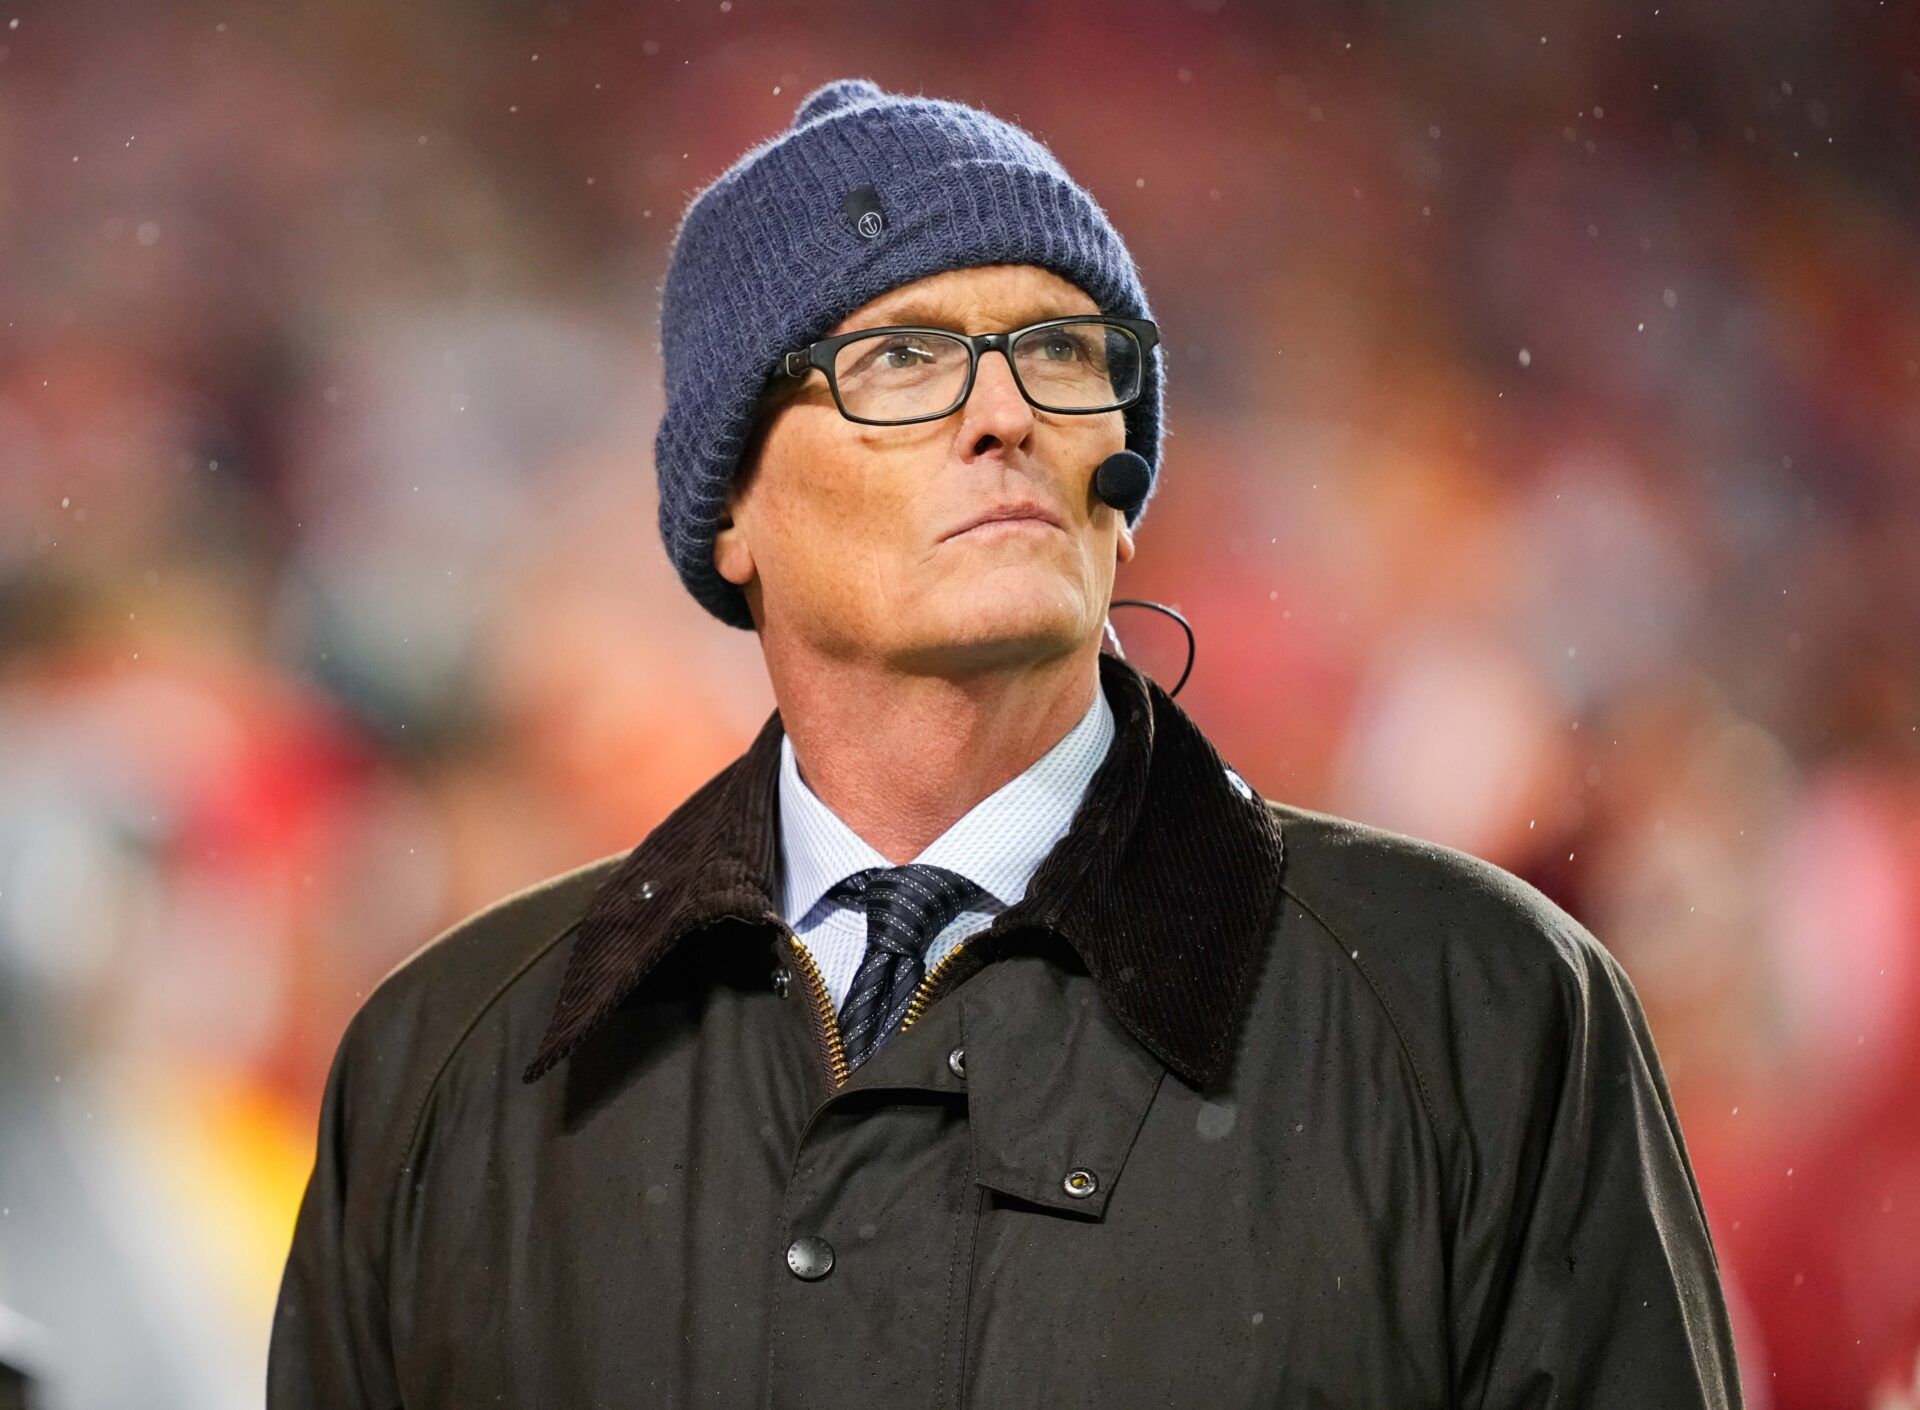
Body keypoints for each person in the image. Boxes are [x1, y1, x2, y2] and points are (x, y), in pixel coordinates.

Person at [267, 77, 1745, 1408]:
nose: (1003, 412)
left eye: (1061, 350)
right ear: (728, 507)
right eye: (901, 356)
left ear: (1123, 477)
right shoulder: (450, 1063)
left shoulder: (1483, 1013)